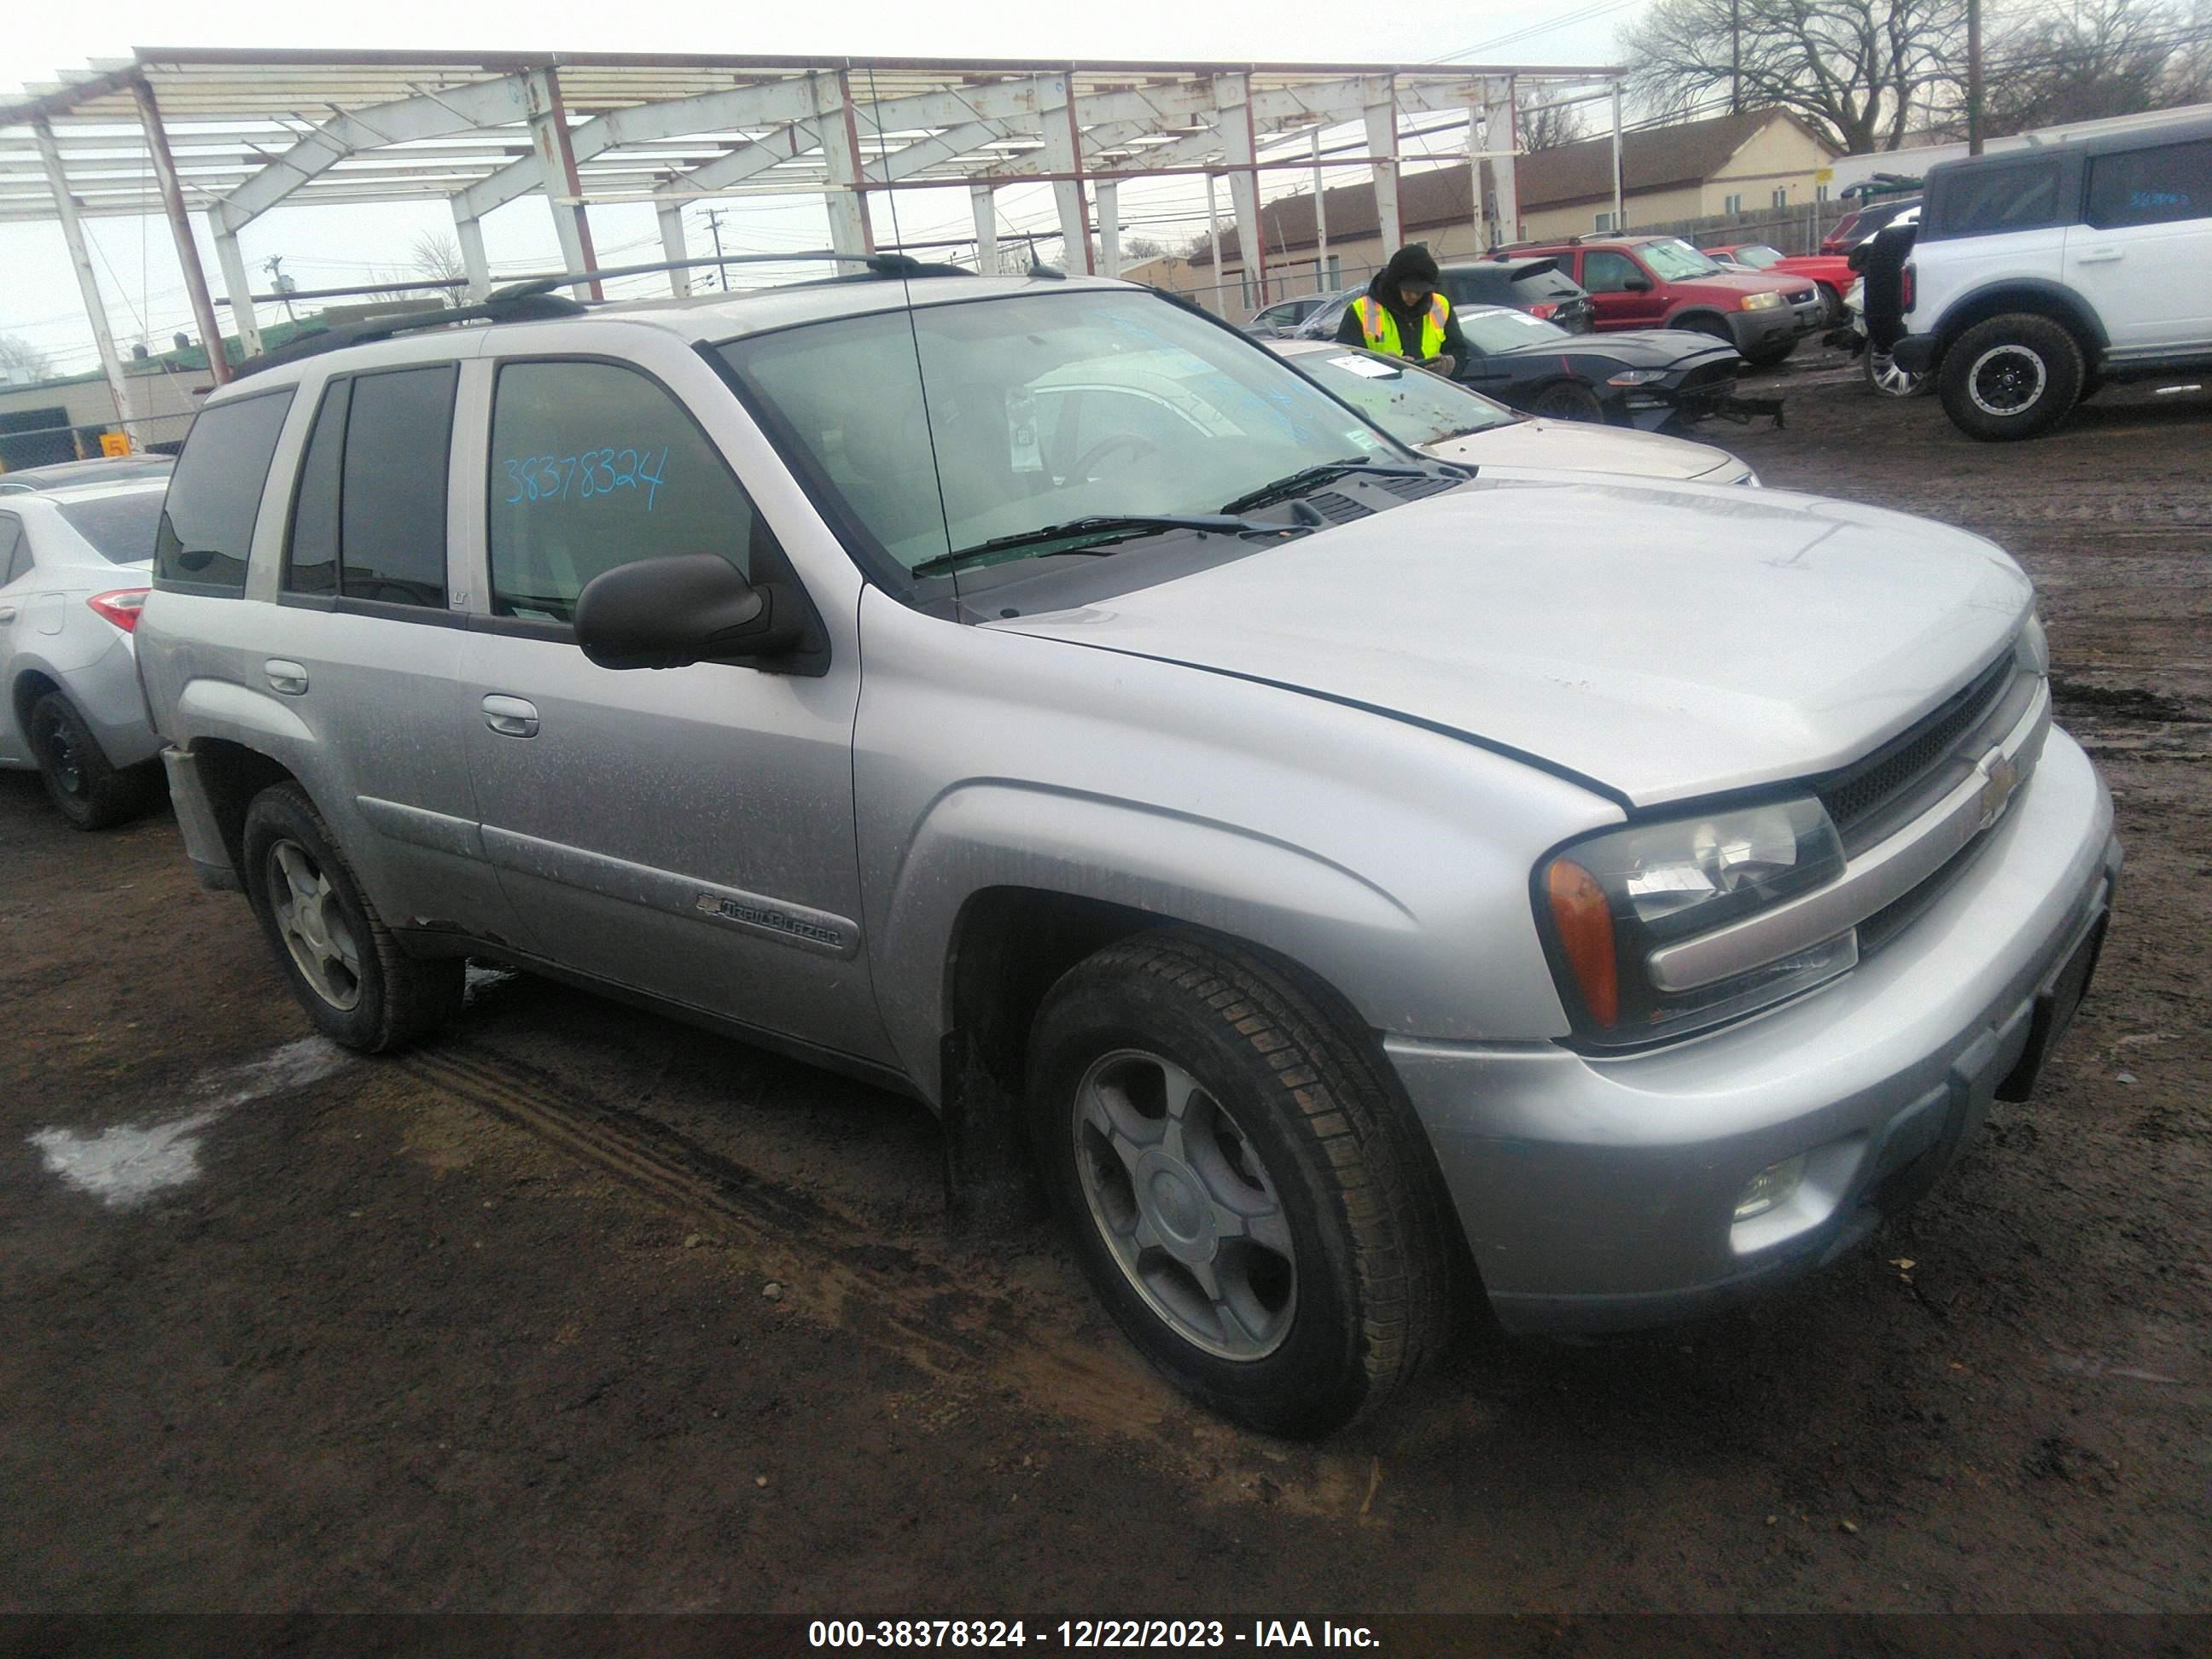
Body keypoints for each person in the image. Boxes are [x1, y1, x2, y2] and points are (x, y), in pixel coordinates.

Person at [1335, 244, 1470, 377]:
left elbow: (1458, 350)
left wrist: (1449, 366)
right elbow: (1344, 361)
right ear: (1394, 285)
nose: (1414, 296)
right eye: (1408, 290)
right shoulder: (1361, 310)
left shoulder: (1440, 306)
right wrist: (1381, 366)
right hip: (1379, 395)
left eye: (1420, 291)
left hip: (1428, 393)